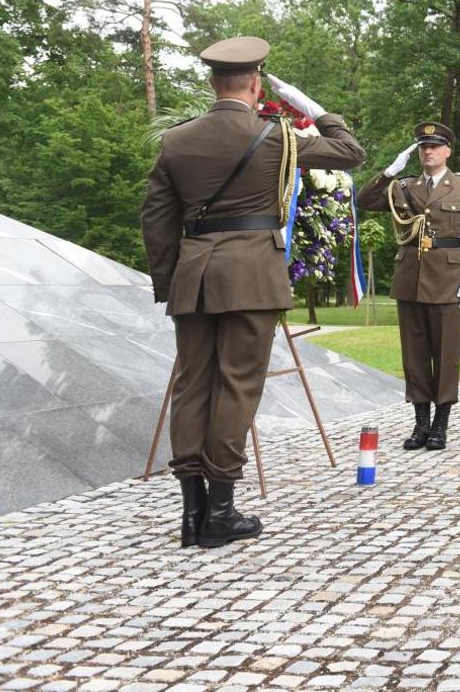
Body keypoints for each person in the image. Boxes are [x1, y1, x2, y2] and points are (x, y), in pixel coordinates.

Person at [141, 36, 365, 549]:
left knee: (193, 384)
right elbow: (350, 152)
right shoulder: (278, 138)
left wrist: (169, 279)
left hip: (193, 275)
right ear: (257, 83)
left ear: (211, 82)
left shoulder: (176, 141)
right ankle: (221, 513)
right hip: (252, 277)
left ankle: (191, 514)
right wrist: (315, 109)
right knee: (237, 384)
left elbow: (156, 217)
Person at [355, 122, 460, 452]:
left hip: (449, 282)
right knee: (415, 356)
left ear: (447, 150)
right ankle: (420, 425)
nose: (427, 151)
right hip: (411, 280)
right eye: (422, 147)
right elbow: (363, 200)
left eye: (434, 146)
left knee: (446, 355)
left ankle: (440, 425)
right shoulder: (404, 186)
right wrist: (388, 172)